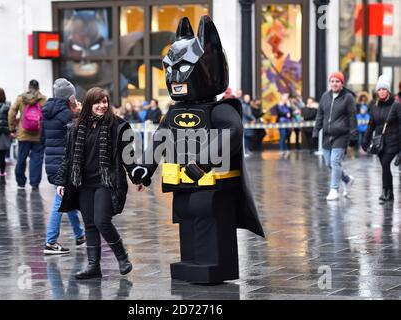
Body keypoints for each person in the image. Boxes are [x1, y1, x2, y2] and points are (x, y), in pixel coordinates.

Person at [134, 16, 264, 283]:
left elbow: (232, 132)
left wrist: (203, 162)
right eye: (170, 69)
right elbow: (160, 139)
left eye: (182, 68)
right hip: (181, 183)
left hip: (212, 183)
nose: (174, 77)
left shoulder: (221, 110)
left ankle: (213, 264)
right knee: (188, 216)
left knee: (207, 215)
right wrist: (143, 168)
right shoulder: (174, 112)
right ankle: (192, 262)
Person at [55, 87, 144, 279]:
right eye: (98, 102)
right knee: (89, 224)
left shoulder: (117, 126)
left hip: (106, 181)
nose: (102, 106)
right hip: (84, 183)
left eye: (105, 102)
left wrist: (136, 176)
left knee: (102, 220)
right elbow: (68, 158)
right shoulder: (76, 127)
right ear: (89, 104)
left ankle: (123, 257)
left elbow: (127, 157)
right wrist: (62, 181)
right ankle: (94, 266)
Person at [41, 79, 85, 255]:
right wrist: (78, 113)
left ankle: (79, 235)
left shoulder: (47, 111)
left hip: (50, 161)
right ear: (71, 97)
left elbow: (42, 139)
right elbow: (76, 137)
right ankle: (50, 242)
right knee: (60, 202)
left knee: (68, 199)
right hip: (62, 164)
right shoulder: (67, 114)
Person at [313, 71, 357, 201]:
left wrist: (353, 134)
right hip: (327, 135)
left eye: (337, 81)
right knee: (329, 163)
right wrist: (316, 131)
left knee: (335, 161)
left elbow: (352, 117)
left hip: (341, 135)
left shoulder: (348, 97)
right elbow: (320, 115)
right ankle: (347, 179)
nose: (334, 83)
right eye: (332, 81)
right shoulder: (325, 96)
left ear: (342, 84)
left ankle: (334, 189)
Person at [362, 75, 401, 202]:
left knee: (385, 163)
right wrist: (365, 140)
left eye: (384, 89)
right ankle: (390, 193)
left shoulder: (396, 106)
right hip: (380, 142)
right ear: (377, 91)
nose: (382, 92)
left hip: (394, 141)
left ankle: (385, 191)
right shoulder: (374, 106)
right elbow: (371, 125)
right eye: (379, 89)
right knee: (385, 167)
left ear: (388, 91)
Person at [8, 80, 47, 190]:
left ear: (29, 87)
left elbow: (11, 112)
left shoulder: (21, 98)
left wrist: (12, 128)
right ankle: (34, 184)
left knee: (21, 158)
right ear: (38, 87)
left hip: (23, 133)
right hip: (38, 134)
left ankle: (21, 183)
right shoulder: (43, 99)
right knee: (36, 159)